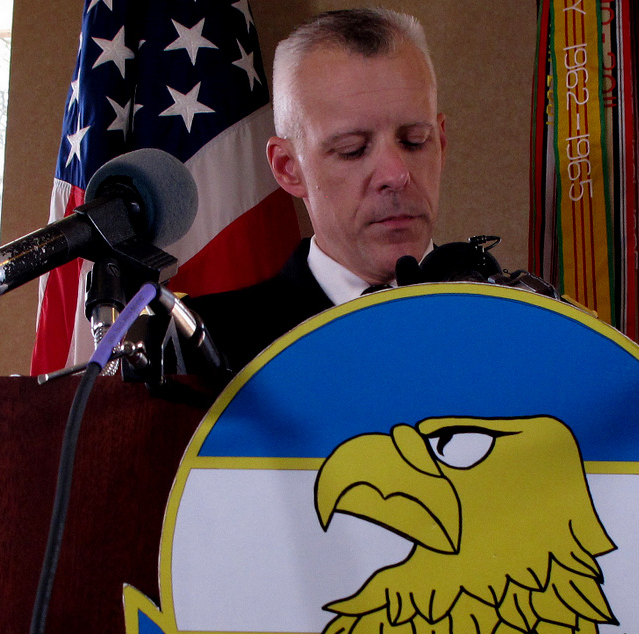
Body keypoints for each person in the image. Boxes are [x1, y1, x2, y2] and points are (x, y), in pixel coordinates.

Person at [188, 7, 447, 369]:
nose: (395, 174)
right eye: (352, 149)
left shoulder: (517, 320)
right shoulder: (205, 349)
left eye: (414, 141)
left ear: (441, 143)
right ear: (288, 168)